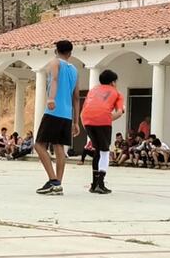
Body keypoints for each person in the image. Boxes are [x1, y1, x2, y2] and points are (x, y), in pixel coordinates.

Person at [35, 40, 80, 195]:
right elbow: (76, 97)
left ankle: (53, 180)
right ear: (70, 53)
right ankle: (58, 184)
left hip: (54, 111)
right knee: (59, 147)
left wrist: (51, 99)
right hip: (67, 114)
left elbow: (54, 79)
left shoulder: (55, 63)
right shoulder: (74, 69)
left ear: (56, 51)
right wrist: (76, 121)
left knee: (39, 145)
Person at [80, 68, 125, 193]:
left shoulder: (93, 90)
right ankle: (101, 183)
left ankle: (94, 184)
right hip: (103, 121)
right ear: (113, 82)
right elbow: (120, 112)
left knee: (97, 151)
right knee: (105, 151)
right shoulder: (116, 93)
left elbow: (84, 110)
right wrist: (108, 120)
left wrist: (88, 124)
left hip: (86, 120)